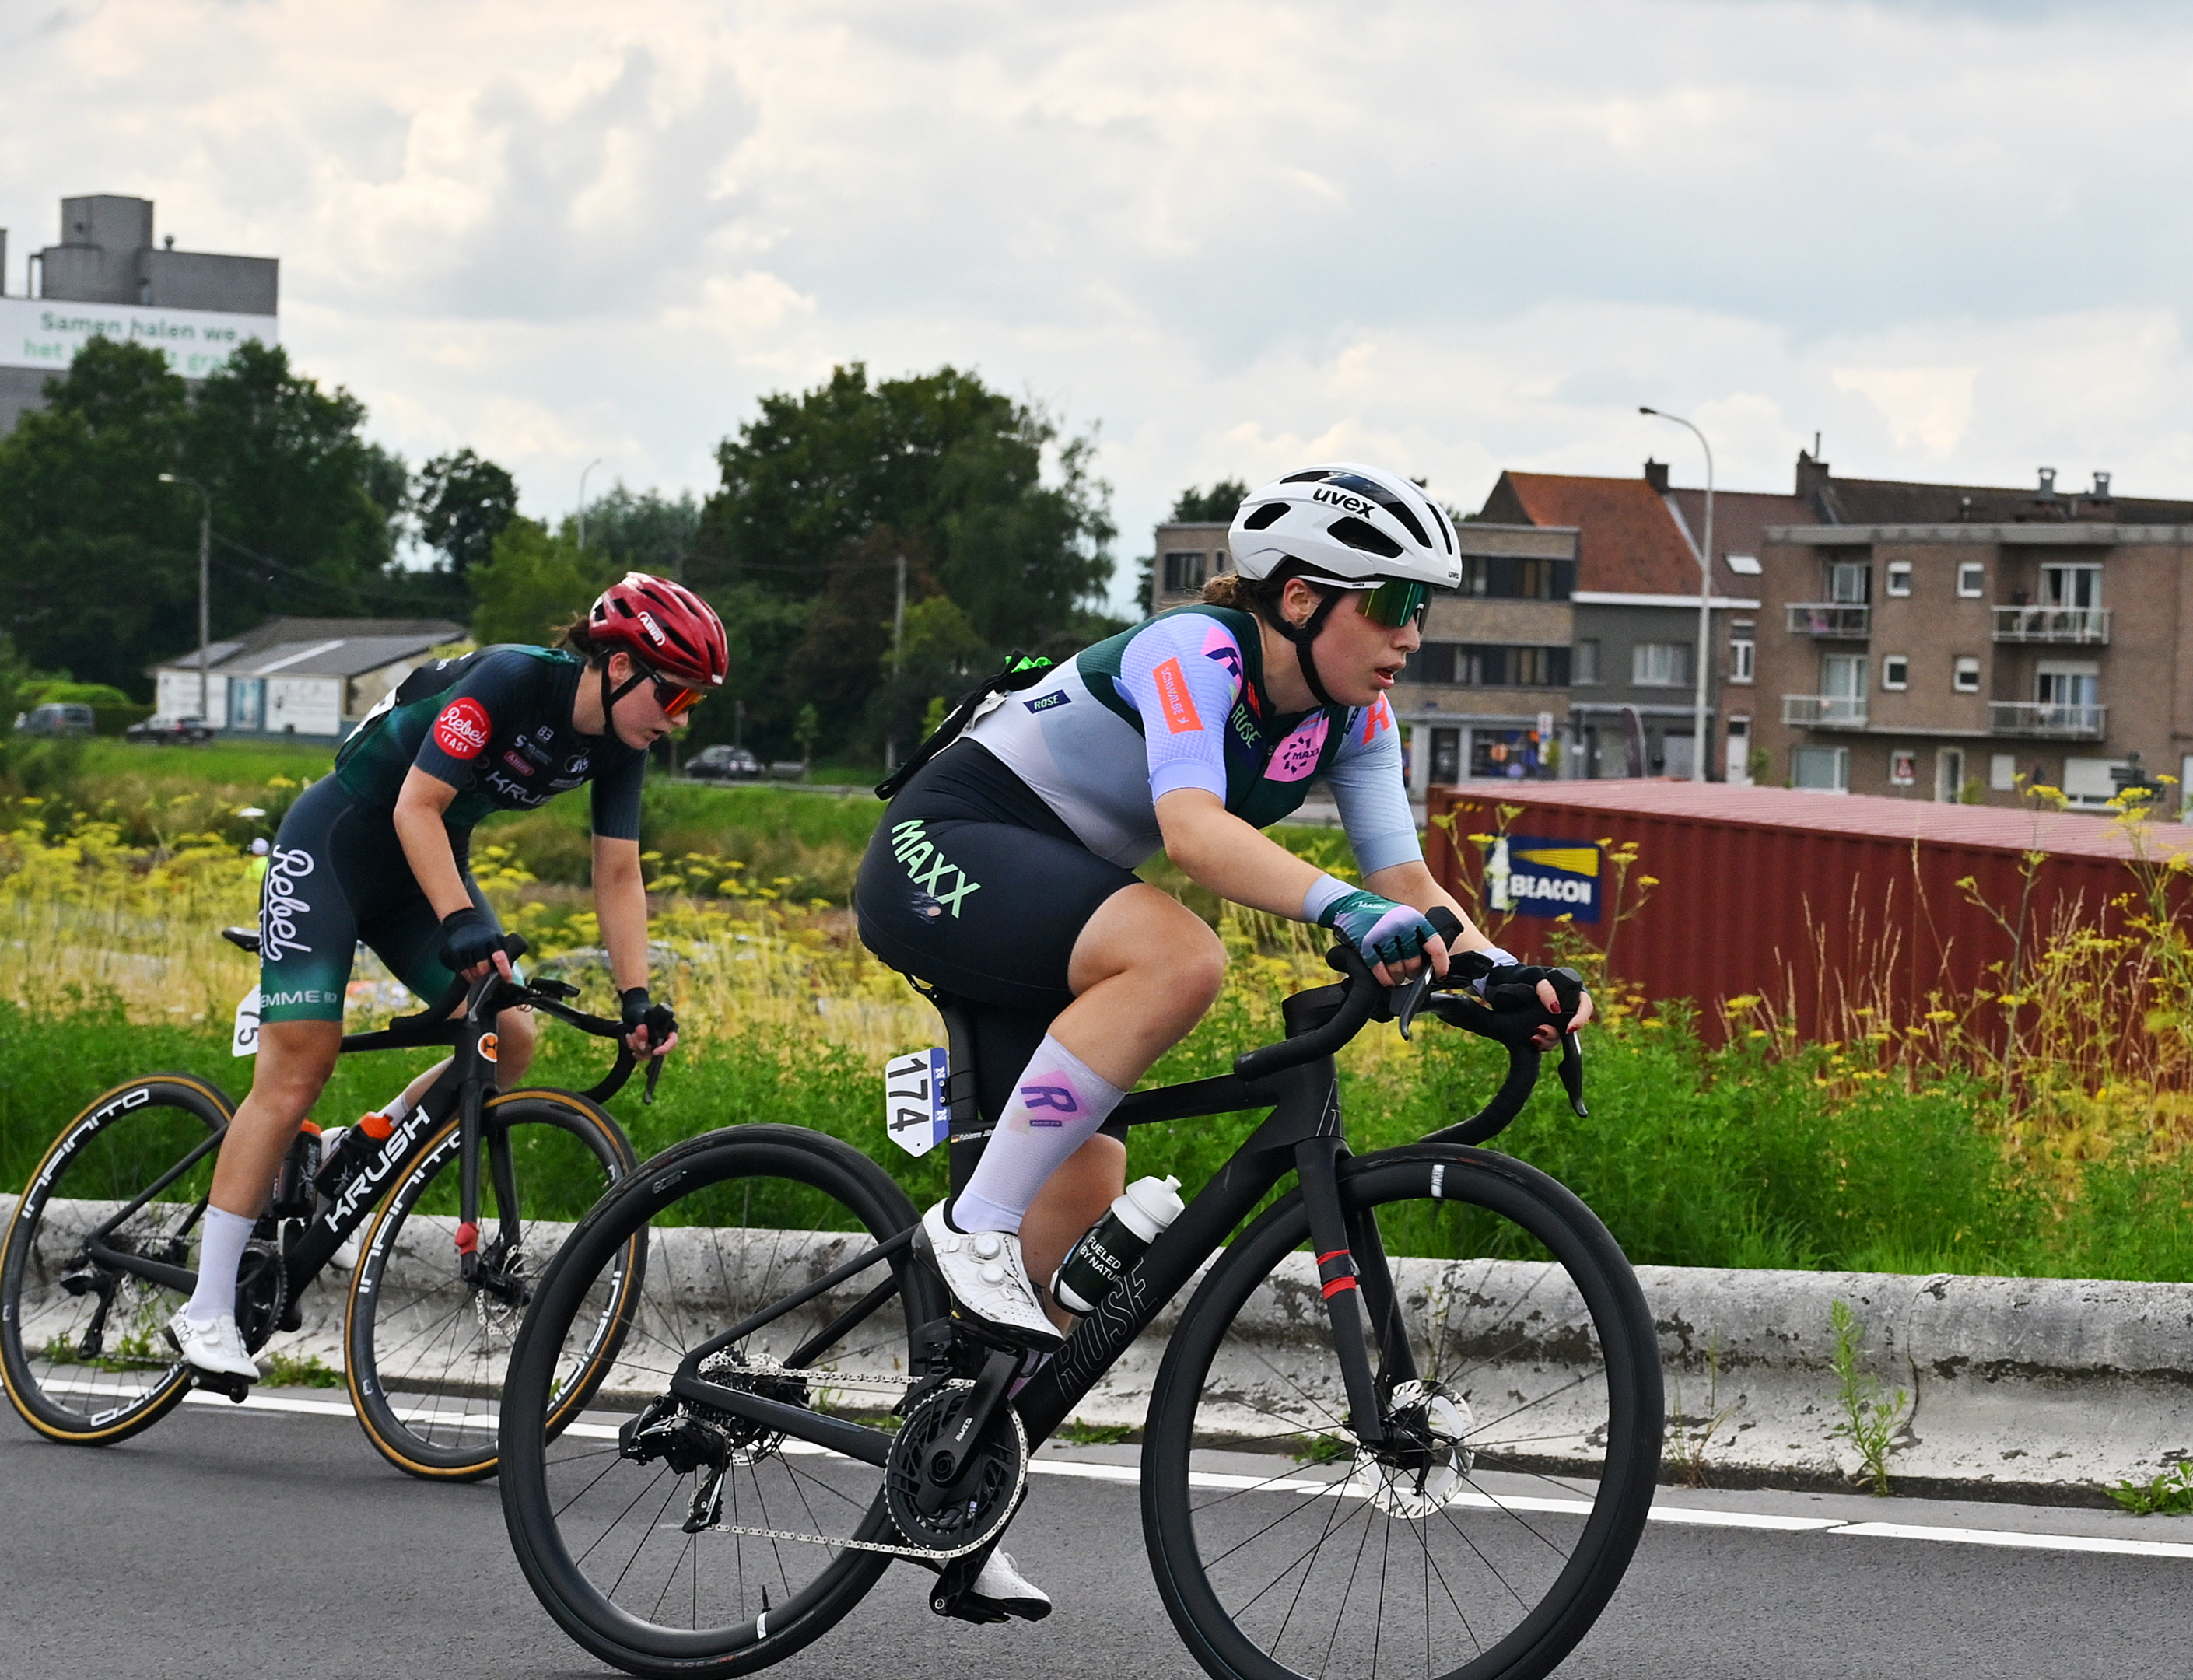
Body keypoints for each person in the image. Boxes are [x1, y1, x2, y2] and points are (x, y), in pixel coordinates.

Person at [853, 464, 1591, 1619]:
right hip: (946, 845)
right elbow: (1195, 834)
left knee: (1086, 1196)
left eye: (1423, 610)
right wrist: (1344, 913)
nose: (1412, 636)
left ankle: (950, 1491)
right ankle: (968, 1229)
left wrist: (1501, 976)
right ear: (1301, 598)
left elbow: (1406, 881)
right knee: (1182, 955)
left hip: (1048, 896)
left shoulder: (1352, 716)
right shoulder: (1195, 651)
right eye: (1393, 605)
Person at [167, 574, 726, 1384]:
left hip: (417, 878)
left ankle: (357, 1147)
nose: (677, 721)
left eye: (693, 707)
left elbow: (619, 877)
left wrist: (635, 997)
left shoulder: (618, 744)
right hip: (336, 845)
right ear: (615, 664)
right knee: (300, 1067)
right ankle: (207, 1307)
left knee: (510, 1039)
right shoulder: (511, 679)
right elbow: (416, 806)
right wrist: (465, 920)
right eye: (674, 696)